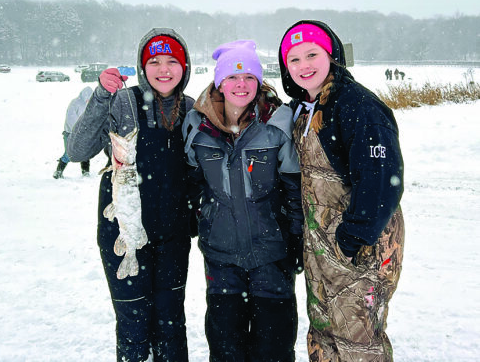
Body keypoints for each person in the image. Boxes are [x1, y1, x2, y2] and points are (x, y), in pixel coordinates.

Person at [278, 20, 405, 361]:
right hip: (322, 252)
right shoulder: (303, 109)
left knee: (359, 342)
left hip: (359, 251)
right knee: (324, 337)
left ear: (331, 55)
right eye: (294, 59)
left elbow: (382, 180)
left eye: (312, 55)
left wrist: (353, 238)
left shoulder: (358, 106)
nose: (304, 66)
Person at [67, 28, 195, 362]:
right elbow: (78, 150)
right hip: (121, 233)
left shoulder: (194, 109)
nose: (163, 69)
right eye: (154, 61)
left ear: (185, 67)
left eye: (172, 61)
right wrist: (99, 98)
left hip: (173, 237)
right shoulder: (123, 101)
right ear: (142, 65)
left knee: (171, 325)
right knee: (133, 325)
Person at [183, 40, 304, 362]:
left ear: (259, 82)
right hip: (221, 257)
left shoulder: (278, 124)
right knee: (226, 350)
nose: (241, 84)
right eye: (233, 77)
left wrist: (296, 239)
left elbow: (294, 188)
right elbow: (192, 184)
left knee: (274, 350)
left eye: (249, 77)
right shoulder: (197, 126)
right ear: (219, 82)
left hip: (272, 255)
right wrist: (201, 221)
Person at [53, 86, 93, 179]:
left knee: (85, 153)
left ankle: (85, 172)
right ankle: (58, 172)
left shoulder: (90, 105)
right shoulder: (75, 103)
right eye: (87, 98)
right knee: (69, 153)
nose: (88, 100)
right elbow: (71, 119)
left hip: (83, 133)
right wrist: (78, 131)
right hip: (70, 133)